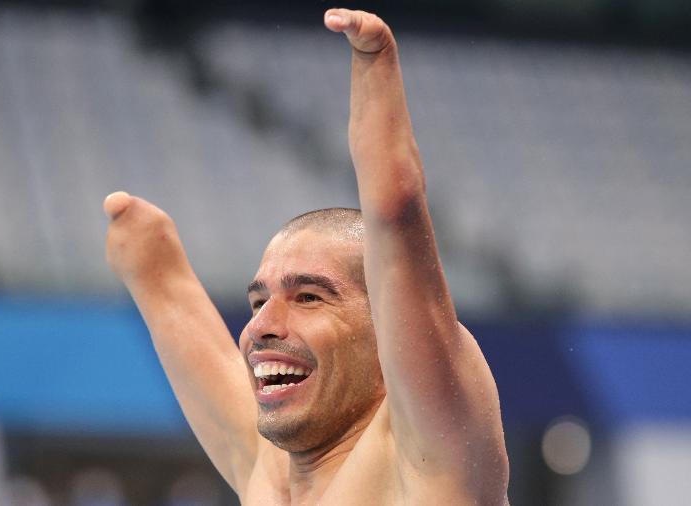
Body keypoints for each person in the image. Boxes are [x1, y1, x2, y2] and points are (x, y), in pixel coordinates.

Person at [103, 8, 508, 505]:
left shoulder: (428, 454)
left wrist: (374, 63)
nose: (263, 325)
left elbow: (397, 214)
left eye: (310, 297)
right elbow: (181, 318)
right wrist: (150, 268)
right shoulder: (269, 477)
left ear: (388, 327)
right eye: (257, 302)